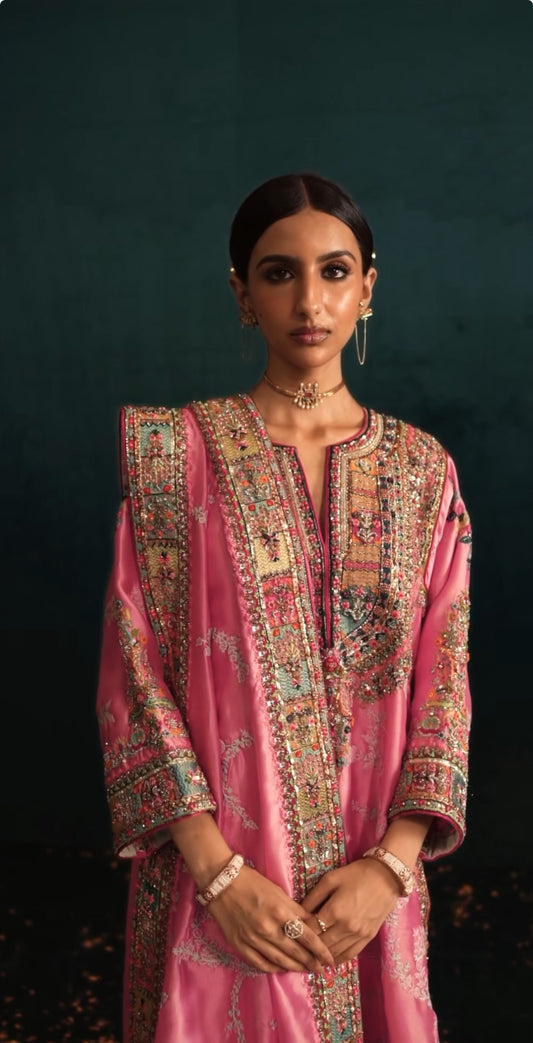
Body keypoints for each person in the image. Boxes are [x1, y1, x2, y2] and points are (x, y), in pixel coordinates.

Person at [96, 172, 472, 1043]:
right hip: (218, 890)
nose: (309, 300)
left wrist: (390, 868)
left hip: (370, 894)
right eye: (278, 273)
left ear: (367, 288)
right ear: (242, 293)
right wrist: (218, 875)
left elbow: (444, 683)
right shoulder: (175, 457)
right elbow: (133, 678)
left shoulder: (423, 472)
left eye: (334, 271)